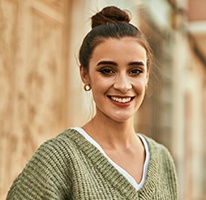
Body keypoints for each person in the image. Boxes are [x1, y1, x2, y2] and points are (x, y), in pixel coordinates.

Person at [6, 6, 178, 200]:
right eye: (107, 70)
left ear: (146, 76)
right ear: (85, 74)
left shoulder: (163, 159)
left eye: (135, 71)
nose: (123, 85)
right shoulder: (58, 159)